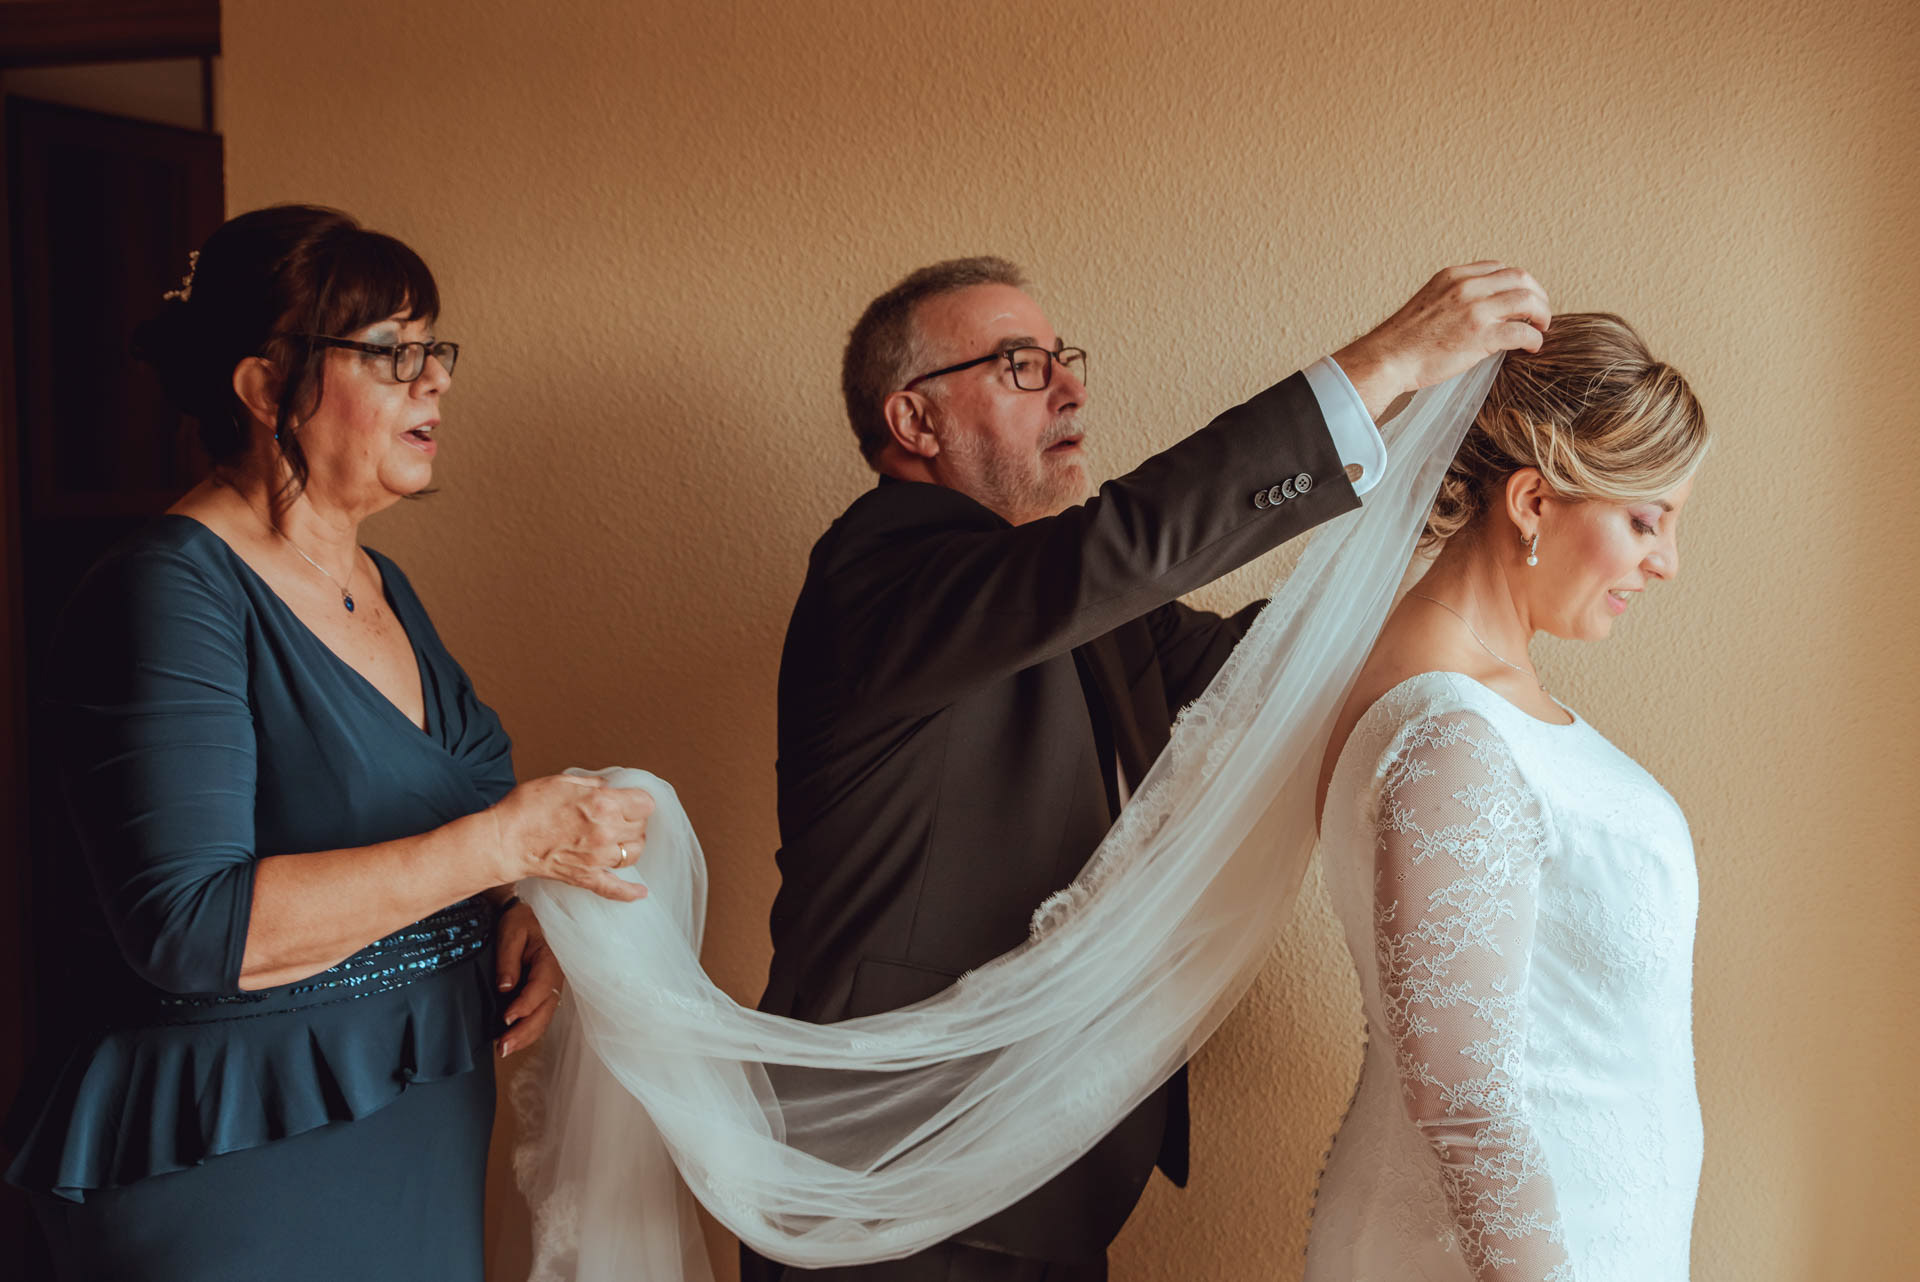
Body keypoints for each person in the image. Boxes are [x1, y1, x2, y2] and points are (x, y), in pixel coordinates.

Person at [741, 256, 1551, 1282]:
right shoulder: (879, 575)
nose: (1070, 390)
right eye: (1021, 365)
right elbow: (1121, 547)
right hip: (886, 1178)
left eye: (1063, 360)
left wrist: (1471, 527)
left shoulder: (1074, 606)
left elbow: (1271, 669)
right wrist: (1387, 364)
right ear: (915, 420)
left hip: (1033, 1189)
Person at [2, 205, 654, 1282]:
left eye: (433, 349)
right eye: (390, 352)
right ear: (266, 390)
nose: (434, 380)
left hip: (413, 1113)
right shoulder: (168, 592)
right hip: (238, 1147)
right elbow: (190, 927)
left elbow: (424, 823)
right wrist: (504, 846)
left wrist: (515, 908)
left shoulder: (379, 582)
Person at [1305, 314, 1709, 1280]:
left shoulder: (1478, 706)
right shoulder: (1453, 735)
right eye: (1645, 520)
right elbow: (1464, 1099)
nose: (1666, 562)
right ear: (1532, 500)